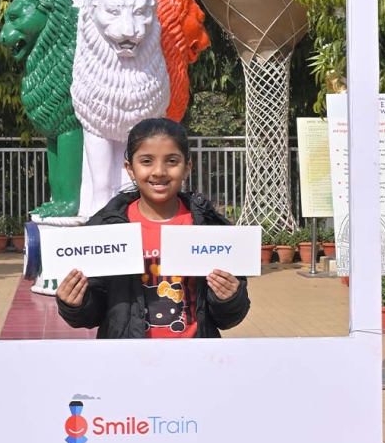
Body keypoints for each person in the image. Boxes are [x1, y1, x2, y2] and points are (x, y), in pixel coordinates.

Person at [56, 118, 250, 338]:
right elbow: (93, 313)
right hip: (129, 362)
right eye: (146, 161)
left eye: (172, 161)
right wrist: (74, 303)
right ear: (130, 169)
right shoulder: (104, 229)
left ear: (187, 167)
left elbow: (227, 318)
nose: (159, 171)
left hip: (195, 361)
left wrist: (230, 298)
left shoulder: (211, 228)